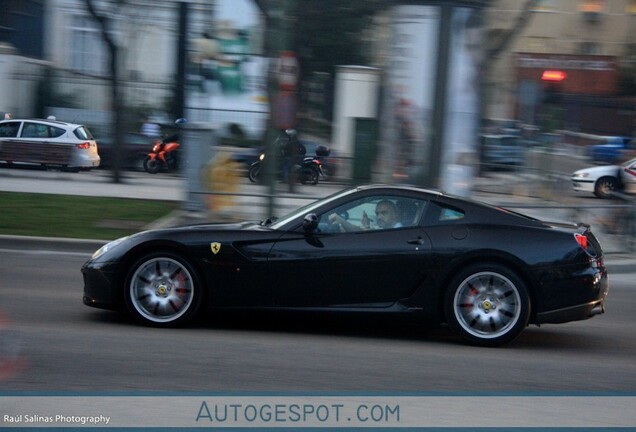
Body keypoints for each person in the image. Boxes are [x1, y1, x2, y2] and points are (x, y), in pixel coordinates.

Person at [329, 200, 402, 232]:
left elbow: (360, 233)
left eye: (384, 213)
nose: (379, 217)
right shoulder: (386, 229)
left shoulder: (398, 231)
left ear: (395, 215)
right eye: (377, 213)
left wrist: (341, 220)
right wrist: (367, 225)